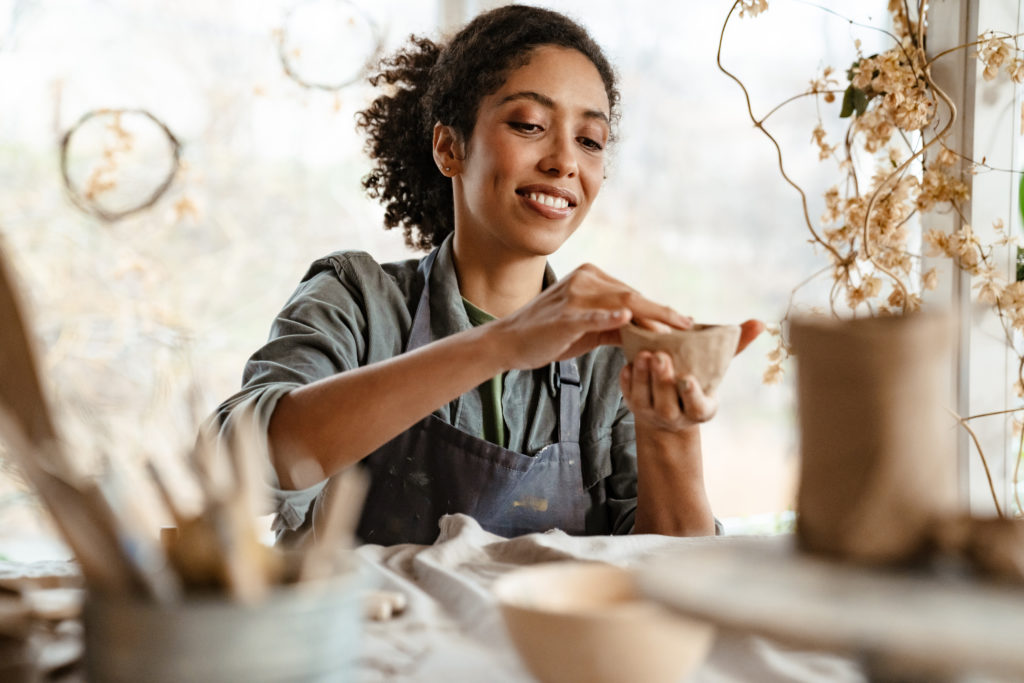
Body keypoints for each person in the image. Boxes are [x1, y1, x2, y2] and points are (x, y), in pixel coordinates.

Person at [212, 4, 762, 546]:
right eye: (529, 125)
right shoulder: (356, 299)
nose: (565, 161)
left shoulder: (608, 362)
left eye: (590, 140)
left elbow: (672, 573)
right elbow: (237, 467)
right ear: (450, 147)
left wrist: (671, 434)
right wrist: (500, 344)